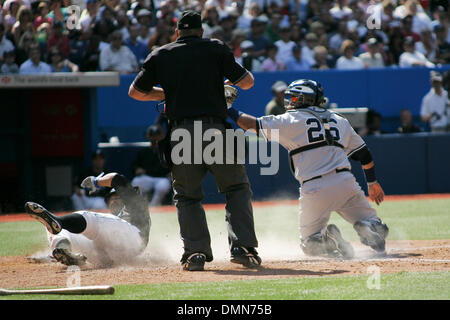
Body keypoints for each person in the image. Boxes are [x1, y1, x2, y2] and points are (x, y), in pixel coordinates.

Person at [128, 10, 260, 271]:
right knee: (236, 188)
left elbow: (135, 92)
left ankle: (195, 253)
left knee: (187, 197)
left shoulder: (161, 54)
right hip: (216, 130)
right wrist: (219, 88)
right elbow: (247, 83)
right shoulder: (215, 48)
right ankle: (242, 248)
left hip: (181, 132)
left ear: (177, 32)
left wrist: (169, 93)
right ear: (201, 31)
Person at [226, 79, 389, 259]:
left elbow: (249, 124)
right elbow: (364, 154)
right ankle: (370, 227)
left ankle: (330, 240)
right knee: (377, 228)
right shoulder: (339, 120)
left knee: (311, 245)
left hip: (315, 187)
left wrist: (228, 108)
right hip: (346, 183)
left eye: (295, 97)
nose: (290, 101)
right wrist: (372, 182)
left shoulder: (291, 119)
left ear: (306, 99)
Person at [25, 172, 150, 267]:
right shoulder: (113, 223)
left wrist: (96, 182)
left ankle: (59, 222)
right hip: (106, 257)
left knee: (86, 218)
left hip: (134, 240)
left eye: (118, 197)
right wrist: (51, 256)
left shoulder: (136, 204)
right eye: (112, 198)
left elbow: (117, 179)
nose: (115, 200)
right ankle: (63, 250)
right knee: (56, 229)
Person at [131, 125, 172, 207]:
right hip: (148, 178)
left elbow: (171, 167)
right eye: (152, 135)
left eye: (157, 135)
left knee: (163, 186)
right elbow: (134, 166)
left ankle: (153, 206)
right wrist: (137, 169)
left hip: (162, 178)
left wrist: (171, 172)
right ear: (148, 137)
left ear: (161, 136)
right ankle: (140, 207)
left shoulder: (167, 151)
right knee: (136, 182)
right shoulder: (144, 151)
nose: (155, 138)